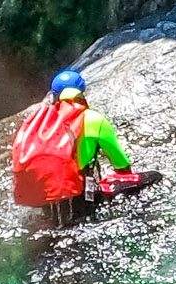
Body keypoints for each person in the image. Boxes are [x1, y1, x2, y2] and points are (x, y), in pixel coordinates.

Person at [11, 68, 156, 224]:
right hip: (80, 197)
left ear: (55, 96)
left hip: (47, 199)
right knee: (153, 177)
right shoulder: (93, 119)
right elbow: (121, 165)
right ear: (82, 93)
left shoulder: (40, 125)